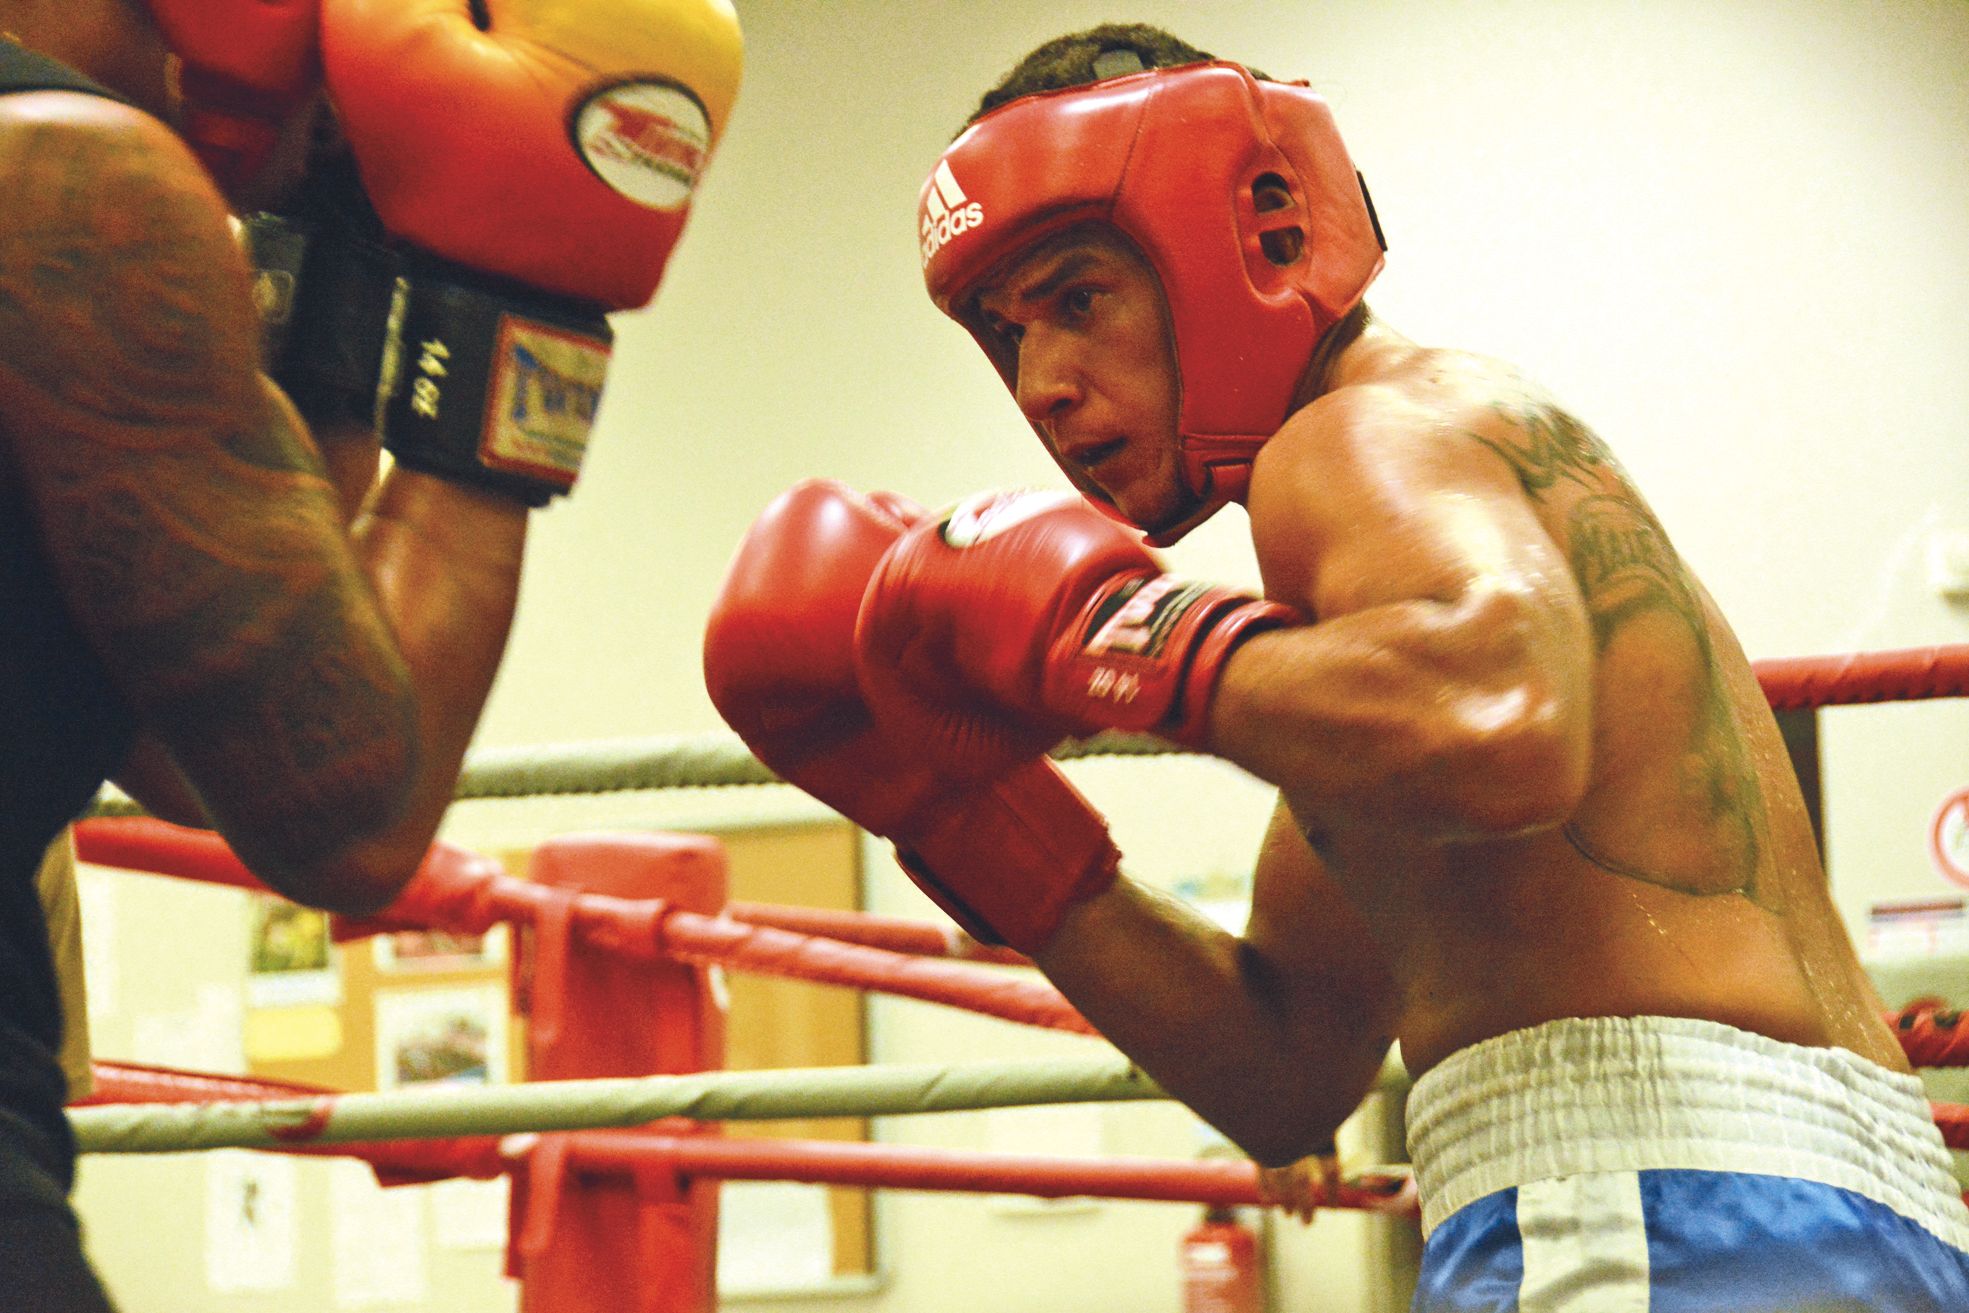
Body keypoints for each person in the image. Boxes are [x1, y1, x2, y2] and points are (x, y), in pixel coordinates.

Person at [706, 23, 1969, 1309]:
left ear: (1248, 236)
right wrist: (972, 821)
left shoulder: (1357, 438)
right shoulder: (1385, 582)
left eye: (1078, 299)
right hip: (1833, 1223)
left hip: (1653, 1212)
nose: (1042, 382)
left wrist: (1116, 633)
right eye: (1006, 331)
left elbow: (1500, 719)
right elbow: (1289, 1065)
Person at [0, 1, 740, 1307]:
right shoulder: (65, 183)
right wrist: (535, 288)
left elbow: (204, 741)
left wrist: (322, 243)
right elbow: (343, 809)